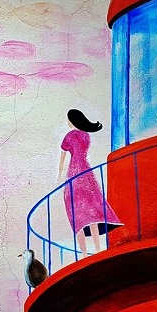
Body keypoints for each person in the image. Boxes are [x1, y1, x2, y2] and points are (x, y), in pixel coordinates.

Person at [57, 109, 122, 256]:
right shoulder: (86, 135)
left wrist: (60, 175)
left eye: (69, 119)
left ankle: (84, 253)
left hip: (74, 172)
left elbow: (63, 156)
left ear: (73, 120)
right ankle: (98, 250)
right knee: (92, 215)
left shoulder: (70, 135)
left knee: (77, 214)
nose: (67, 122)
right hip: (86, 172)